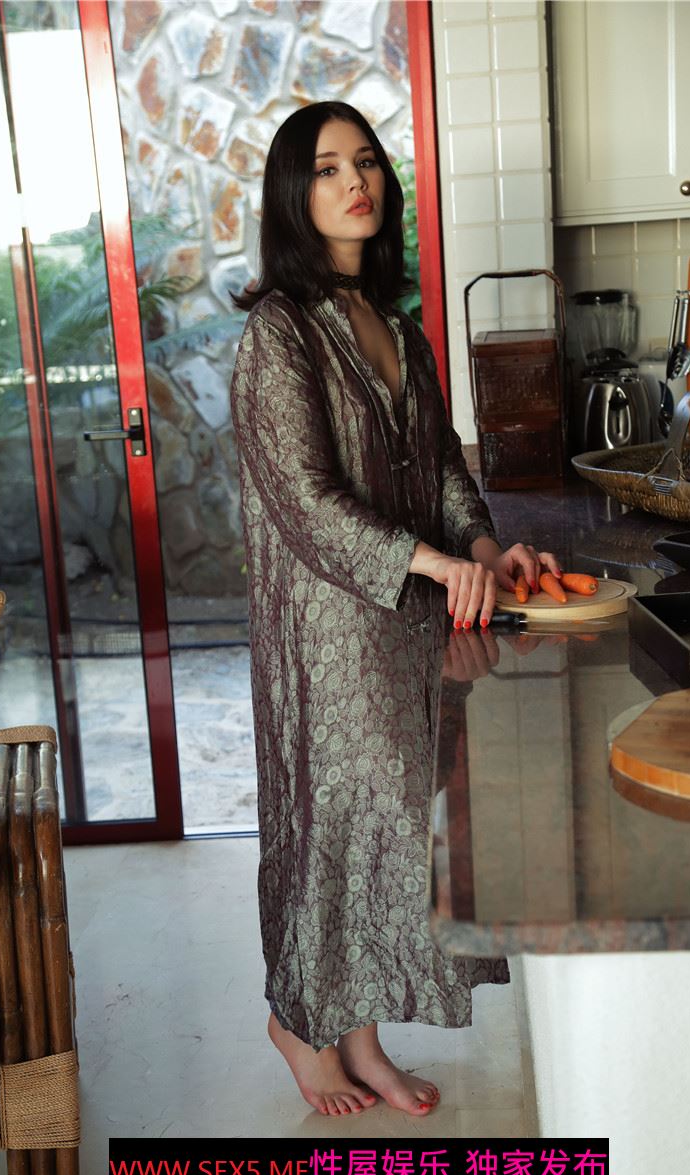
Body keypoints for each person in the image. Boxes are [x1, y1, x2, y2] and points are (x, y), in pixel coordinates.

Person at [228, 100, 562, 1120]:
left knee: (394, 829)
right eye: (328, 167)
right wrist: (429, 560)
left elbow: (444, 470)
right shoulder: (278, 333)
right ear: (295, 193)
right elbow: (303, 498)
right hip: (329, 629)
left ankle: (360, 1037)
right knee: (332, 825)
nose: (354, 181)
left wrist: (482, 549)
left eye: (366, 161)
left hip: (411, 625)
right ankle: (302, 1026)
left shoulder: (402, 331)